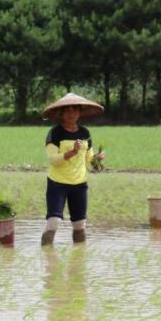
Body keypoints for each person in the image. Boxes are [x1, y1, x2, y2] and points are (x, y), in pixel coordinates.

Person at [40, 93, 106, 246]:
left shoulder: (85, 133)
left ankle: (79, 255)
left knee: (80, 225)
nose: (71, 113)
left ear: (80, 112)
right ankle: (46, 255)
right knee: (53, 222)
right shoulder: (55, 133)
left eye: (74, 109)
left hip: (79, 184)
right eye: (67, 110)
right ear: (61, 113)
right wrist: (72, 152)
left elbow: (89, 159)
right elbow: (53, 160)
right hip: (58, 184)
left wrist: (97, 159)